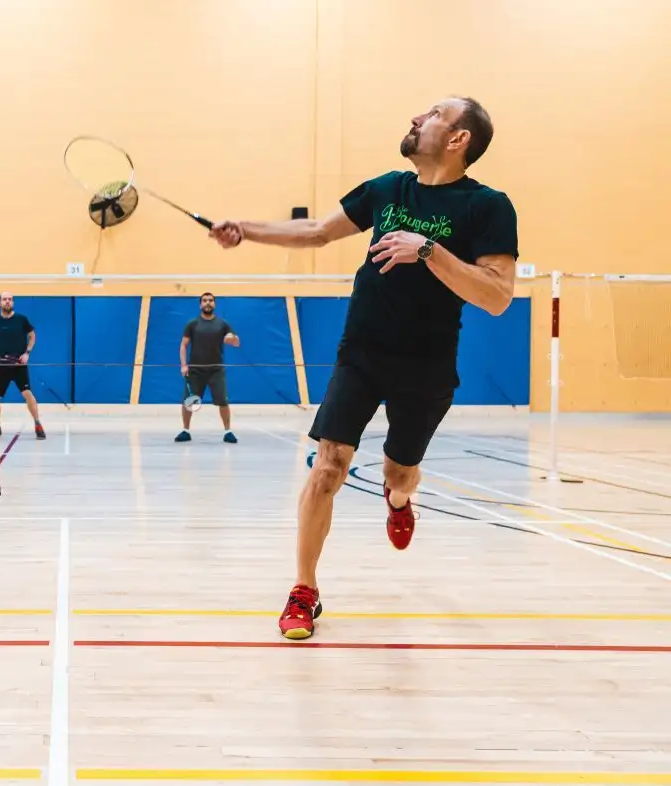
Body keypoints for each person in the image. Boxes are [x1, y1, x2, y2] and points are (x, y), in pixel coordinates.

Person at [209, 97, 519, 640]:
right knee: (329, 463)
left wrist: (429, 250)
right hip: (363, 351)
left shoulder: (487, 206)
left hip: (426, 362)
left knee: (400, 470)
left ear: (457, 138)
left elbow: (497, 296)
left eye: (433, 114)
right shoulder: (387, 188)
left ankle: (398, 499)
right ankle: (304, 590)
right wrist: (246, 230)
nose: (416, 117)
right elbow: (316, 234)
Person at [176, 292, 240, 443]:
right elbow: (183, 345)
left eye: (211, 300)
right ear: (200, 304)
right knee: (188, 401)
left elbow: (236, 343)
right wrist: (183, 365)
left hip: (216, 370)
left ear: (214, 304)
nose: (208, 303)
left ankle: (228, 431)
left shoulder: (223, 324)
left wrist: (233, 338)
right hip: (195, 370)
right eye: (205, 301)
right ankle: (185, 430)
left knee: (223, 402)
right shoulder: (192, 324)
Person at [0, 291, 45, 439]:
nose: (7, 301)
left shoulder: (21, 320)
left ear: (13, 302)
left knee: (27, 394)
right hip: (0, 366)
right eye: (4, 299)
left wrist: (27, 353)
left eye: (10, 299)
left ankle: (37, 424)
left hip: (18, 365)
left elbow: (32, 336)